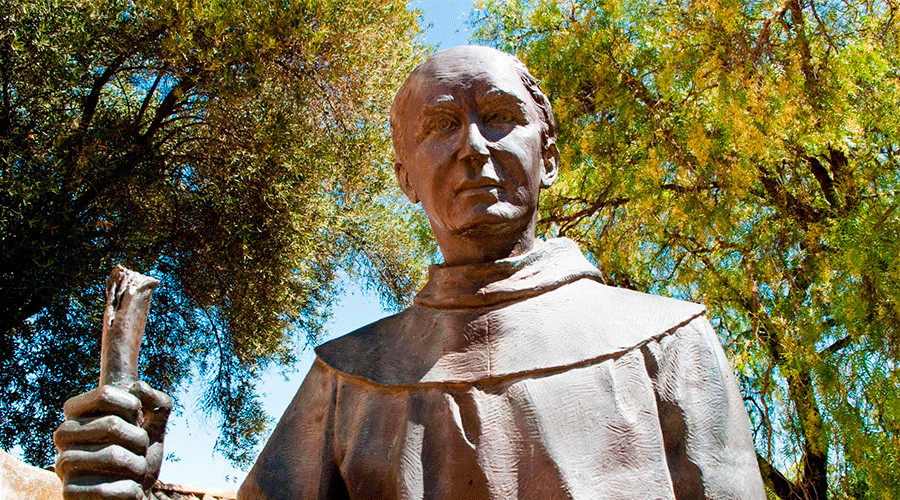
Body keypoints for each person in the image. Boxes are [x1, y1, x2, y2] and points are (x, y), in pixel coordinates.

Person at [55, 46, 765, 499]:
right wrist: (126, 487)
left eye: (498, 115)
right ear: (404, 175)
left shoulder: (666, 343)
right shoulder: (346, 378)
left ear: (547, 154)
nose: (475, 148)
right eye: (439, 126)